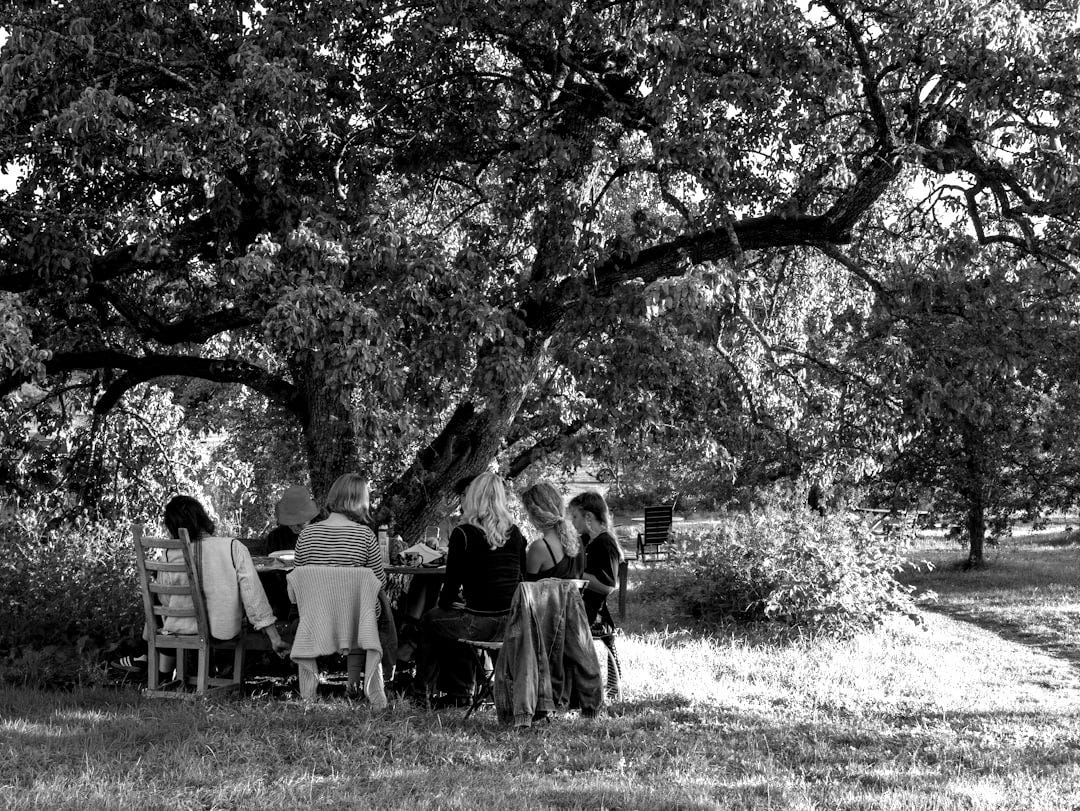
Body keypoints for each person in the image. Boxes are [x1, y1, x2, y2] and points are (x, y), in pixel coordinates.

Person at [413, 472, 526, 707]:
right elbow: (520, 578)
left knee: (432, 620)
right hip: (511, 619)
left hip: (479, 621)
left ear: (474, 497)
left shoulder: (463, 533)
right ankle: (461, 690)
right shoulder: (515, 533)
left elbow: (450, 589)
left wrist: (453, 602)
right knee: (455, 621)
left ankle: (425, 692)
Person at [149, 495, 290, 680]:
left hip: (181, 628)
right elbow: (252, 595)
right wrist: (274, 638)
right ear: (202, 517)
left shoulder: (169, 553)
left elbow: (165, 600)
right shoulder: (232, 547)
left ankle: (162, 676)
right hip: (222, 629)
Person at [568, 489, 624, 701]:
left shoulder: (604, 542)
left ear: (588, 517)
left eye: (575, 517)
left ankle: (580, 691)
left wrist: (578, 576)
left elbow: (608, 586)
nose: (572, 522)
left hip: (595, 612)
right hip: (580, 606)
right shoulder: (584, 540)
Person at [293, 473, 386, 586]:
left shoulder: (306, 534)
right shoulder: (365, 536)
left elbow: (296, 582)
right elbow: (379, 582)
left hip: (316, 603)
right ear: (360, 502)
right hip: (356, 604)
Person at [520, 480, 584, 581]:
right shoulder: (577, 540)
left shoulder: (540, 547)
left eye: (528, 514)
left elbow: (527, 588)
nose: (528, 519)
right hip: (575, 596)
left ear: (536, 513)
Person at [265, 485, 321, 552]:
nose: (295, 528)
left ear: (310, 518)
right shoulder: (275, 538)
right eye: (290, 523)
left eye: (300, 524)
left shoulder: (321, 534)